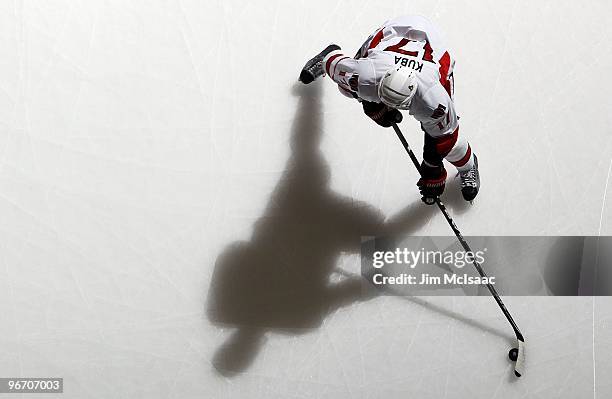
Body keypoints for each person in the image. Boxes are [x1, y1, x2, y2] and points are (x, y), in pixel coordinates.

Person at [299, 15, 479, 203]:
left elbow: (445, 137)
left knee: (449, 143)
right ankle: (368, 93)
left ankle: (469, 166)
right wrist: (370, 105)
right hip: (393, 32)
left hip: (433, 50)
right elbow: (332, 62)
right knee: (347, 88)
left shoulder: (433, 98)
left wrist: (432, 168)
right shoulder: (366, 74)